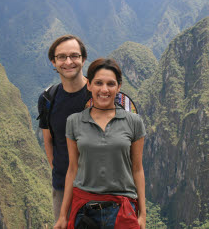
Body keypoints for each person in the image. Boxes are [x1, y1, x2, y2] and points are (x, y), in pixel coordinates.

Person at [54, 58, 146, 229]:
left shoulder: (134, 122)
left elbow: (137, 169)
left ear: (118, 87)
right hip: (85, 210)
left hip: (122, 209)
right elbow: (72, 169)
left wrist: (142, 215)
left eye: (110, 84)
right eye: (98, 83)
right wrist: (62, 216)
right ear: (89, 85)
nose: (104, 89)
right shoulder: (74, 122)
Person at [37, 35, 90, 222]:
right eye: (62, 57)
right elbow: (48, 140)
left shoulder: (100, 94)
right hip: (62, 189)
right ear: (54, 61)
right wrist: (59, 172)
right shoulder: (48, 99)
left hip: (100, 188)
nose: (68, 62)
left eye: (74, 56)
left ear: (83, 59)